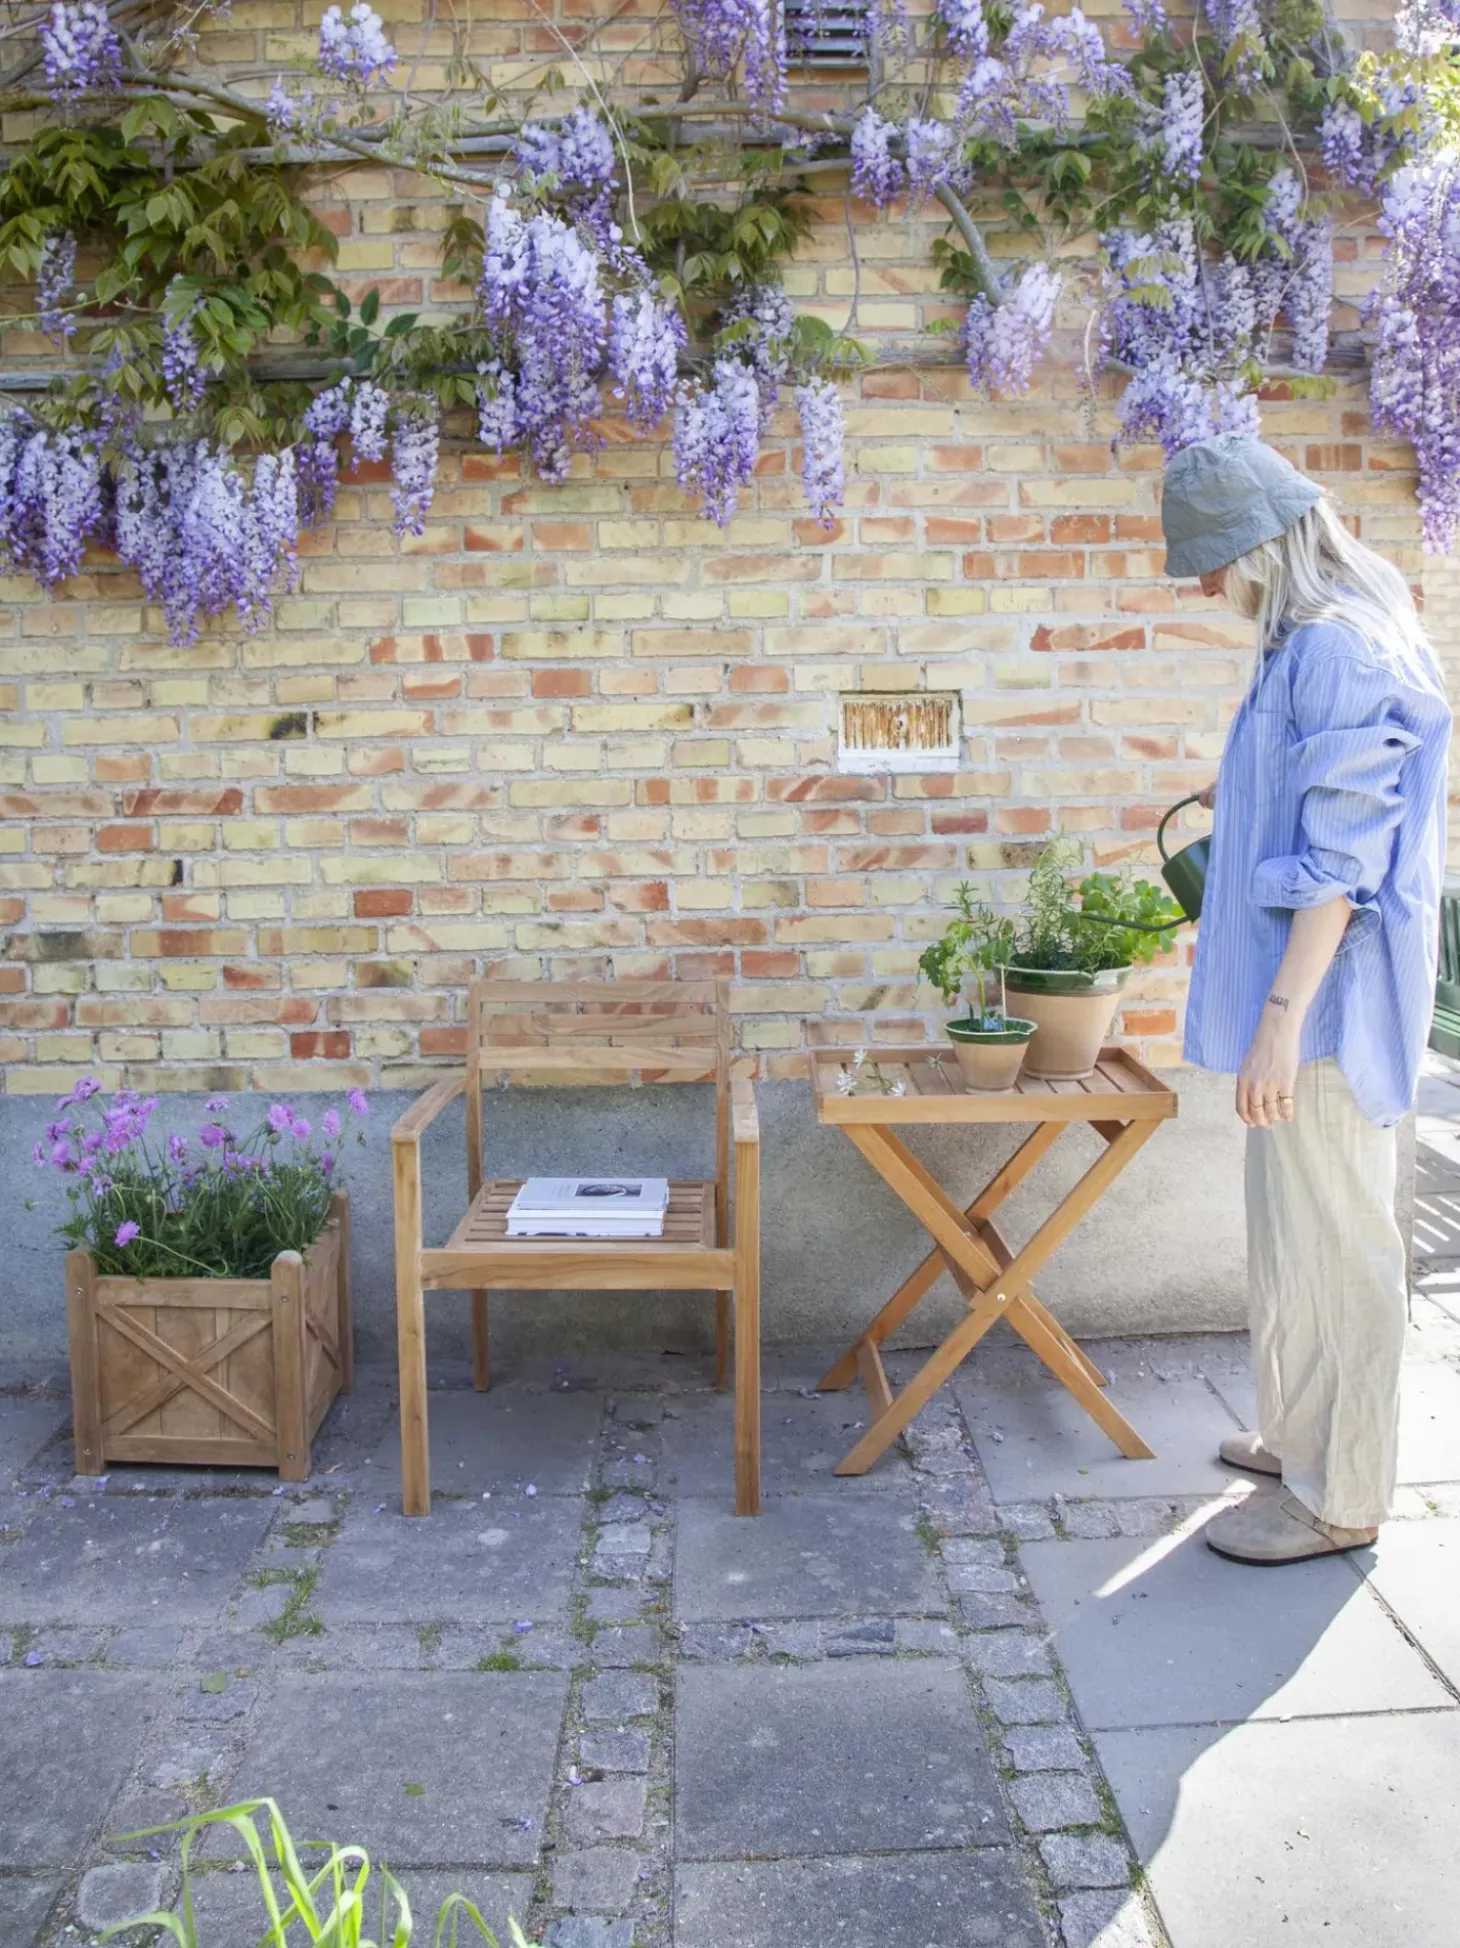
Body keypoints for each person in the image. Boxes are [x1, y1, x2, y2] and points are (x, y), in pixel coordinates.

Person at [1161, 434, 1451, 1566]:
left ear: (1259, 544)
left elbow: (1342, 861)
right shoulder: (1309, 645)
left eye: (1207, 561)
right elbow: (1315, 793)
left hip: (1323, 1009)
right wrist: (1237, 793)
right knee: (1288, 1231)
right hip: (1296, 1001)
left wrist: (1280, 1019)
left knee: (1339, 1246)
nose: (1199, 586)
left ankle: (1344, 1499)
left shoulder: (1333, 649)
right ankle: (1297, 1435)